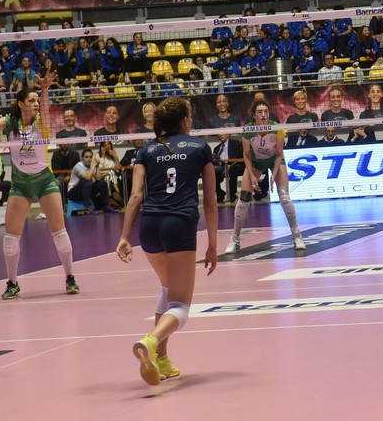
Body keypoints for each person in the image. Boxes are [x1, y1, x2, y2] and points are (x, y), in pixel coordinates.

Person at [116, 97, 217, 386]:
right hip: (179, 225)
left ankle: (161, 359)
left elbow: (136, 196)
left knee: (166, 287)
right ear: (185, 121)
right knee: (181, 306)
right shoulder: (200, 148)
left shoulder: (146, 150)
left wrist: (124, 237)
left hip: (149, 226)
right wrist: (212, 246)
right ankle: (151, 340)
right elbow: (210, 203)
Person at [0, 66, 79, 299]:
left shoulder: (42, 122)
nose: (35, 104)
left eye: (37, 101)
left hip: (45, 181)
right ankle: (12, 283)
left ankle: (70, 277)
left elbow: (45, 112)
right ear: (21, 103)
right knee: (10, 238)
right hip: (20, 183)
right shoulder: (10, 123)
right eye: (31, 100)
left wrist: (44, 90)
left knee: (59, 232)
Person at [224, 100, 306, 253]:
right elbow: (246, 155)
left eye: (266, 111)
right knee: (244, 199)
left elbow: (279, 154)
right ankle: (235, 239)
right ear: (254, 115)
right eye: (260, 112)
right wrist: (252, 176)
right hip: (255, 162)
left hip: (275, 160)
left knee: (284, 197)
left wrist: (273, 176)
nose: (263, 115)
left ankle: (297, 235)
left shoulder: (276, 128)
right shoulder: (248, 130)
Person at [67, 148, 108, 214]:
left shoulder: (92, 165)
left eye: (90, 157)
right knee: (86, 182)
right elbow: (88, 177)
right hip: (73, 192)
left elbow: (98, 178)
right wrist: (93, 166)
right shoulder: (78, 166)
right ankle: (88, 207)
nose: (89, 159)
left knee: (102, 183)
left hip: (86, 191)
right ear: (82, 158)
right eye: (86, 157)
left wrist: (97, 166)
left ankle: (105, 206)